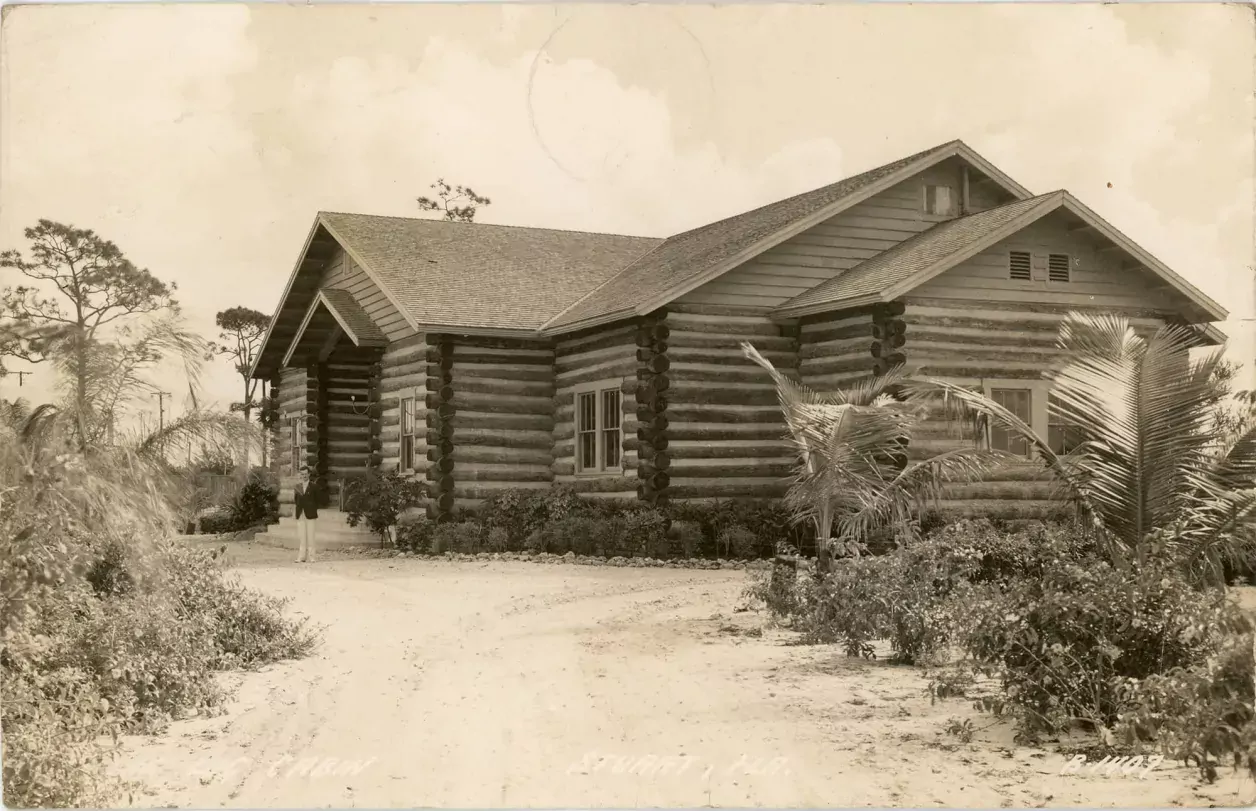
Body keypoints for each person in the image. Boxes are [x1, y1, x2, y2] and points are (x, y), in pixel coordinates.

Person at [293, 467, 319, 563]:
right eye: (302, 474)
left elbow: (317, 500)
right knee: (302, 537)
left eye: (305, 474)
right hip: (301, 514)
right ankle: (301, 557)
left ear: (309, 474)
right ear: (300, 475)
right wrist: (299, 510)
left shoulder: (314, 486)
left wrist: (311, 507)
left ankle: (312, 557)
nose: (304, 476)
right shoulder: (297, 487)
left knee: (311, 536)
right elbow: (296, 500)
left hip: (311, 513)